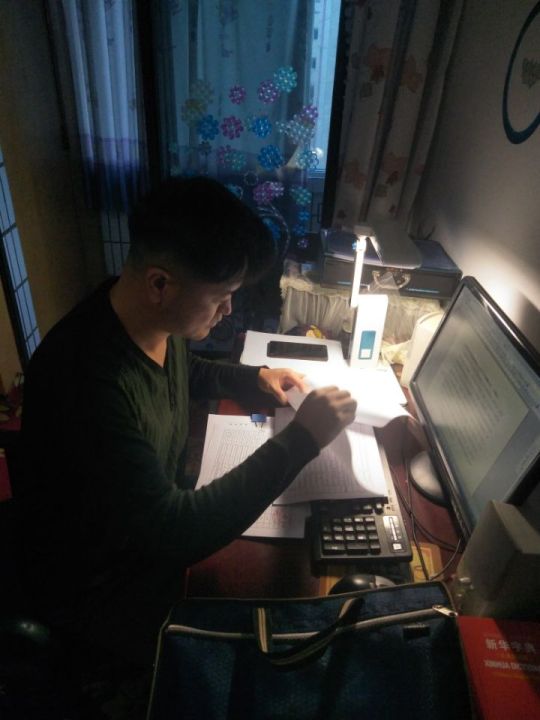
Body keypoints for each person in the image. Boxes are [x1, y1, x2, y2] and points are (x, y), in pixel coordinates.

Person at [16, 176, 357, 673]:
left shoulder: (143, 316)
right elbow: (175, 532)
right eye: (222, 295)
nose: (228, 310)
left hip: (148, 531)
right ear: (160, 284)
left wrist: (255, 379)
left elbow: (183, 371)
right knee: (273, 635)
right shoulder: (85, 382)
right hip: (101, 587)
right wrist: (303, 438)